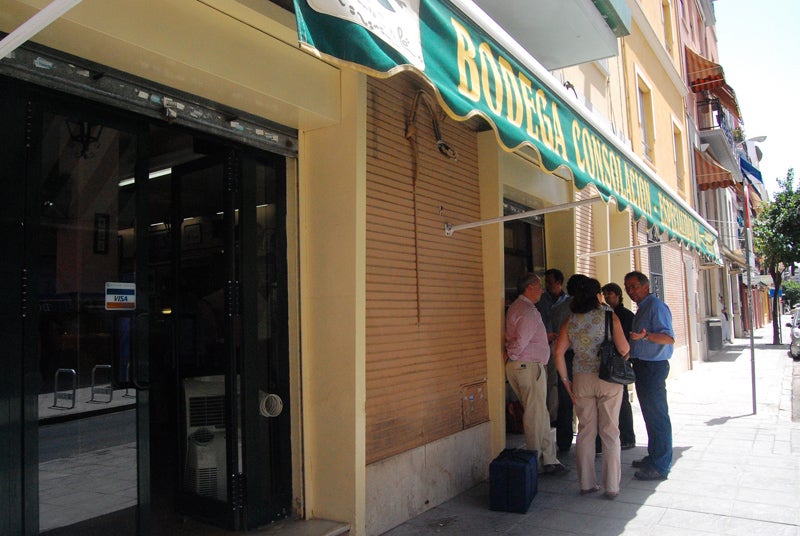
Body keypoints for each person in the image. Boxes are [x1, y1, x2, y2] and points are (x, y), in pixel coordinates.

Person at [553, 277, 630, 499]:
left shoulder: (572, 320)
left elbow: (558, 353)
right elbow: (624, 348)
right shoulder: (608, 316)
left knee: (586, 432)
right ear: (597, 294)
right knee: (610, 432)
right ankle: (612, 486)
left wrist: (566, 381)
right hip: (608, 379)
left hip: (581, 378)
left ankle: (586, 483)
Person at [505, 273, 567, 475]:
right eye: (539, 287)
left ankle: (549, 458)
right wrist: (513, 354)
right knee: (534, 414)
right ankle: (535, 460)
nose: (542, 291)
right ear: (529, 288)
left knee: (539, 413)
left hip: (525, 365)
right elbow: (520, 341)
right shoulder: (528, 311)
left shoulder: (520, 308)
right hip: (528, 366)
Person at [624, 271, 675, 481]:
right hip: (642, 366)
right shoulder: (642, 308)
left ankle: (661, 465)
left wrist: (646, 336)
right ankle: (654, 457)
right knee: (649, 416)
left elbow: (669, 338)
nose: (630, 291)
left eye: (634, 286)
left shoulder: (656, 307)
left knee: (658, 416)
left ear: (646, 286)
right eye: (627, 288)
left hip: (654, 368)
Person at [549, 274, 588, 452]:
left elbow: (553, 335)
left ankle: (563, 443)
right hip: (585, 358)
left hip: (563, 356)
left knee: (565, 401)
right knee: (587, 399)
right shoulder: (592, 310)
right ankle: (592, 442)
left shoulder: (558, 309)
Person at [602, 282, 636, 450]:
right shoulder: (605, 313)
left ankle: (627, 437)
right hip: (607, 362)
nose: (607, 297)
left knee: (621, 400)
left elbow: (630, 341)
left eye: (610, 294)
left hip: (619, 361)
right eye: (605, 294)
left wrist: (624, 359)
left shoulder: (625, 315)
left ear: (618, 295)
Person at [537, 268, 568, 423]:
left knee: (559, 381)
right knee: (548, 382)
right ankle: (548, 415)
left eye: (550, 282)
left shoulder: (568, 302)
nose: (547, 285)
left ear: (559, 283)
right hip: (545, 345)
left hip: (562, 346)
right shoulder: (541, 300)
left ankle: (557, 416)